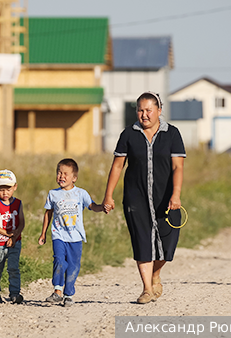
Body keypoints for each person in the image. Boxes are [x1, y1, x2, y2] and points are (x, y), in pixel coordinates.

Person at [102, 91, 186, 304]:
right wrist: (108, 196)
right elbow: (117, 166)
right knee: (142, 242)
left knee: (167, 245)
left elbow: (178, 167)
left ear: (159, 110)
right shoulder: (128, 134)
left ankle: (156, 274)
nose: (144, 114)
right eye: (140, 110)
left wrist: (176, 194)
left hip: (165, 198)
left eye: (149, 110)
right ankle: (147, 288)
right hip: (135, 197)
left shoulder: (172, 134)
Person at [39, 158, 104, 307]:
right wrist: (43, 233)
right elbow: (48, 213)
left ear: (74, 178)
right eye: (59, 173)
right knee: (59, 261)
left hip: (75, 237)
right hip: (58, 235)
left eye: (65, 174)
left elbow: (92, 206)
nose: (61, 176)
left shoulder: (81, 193)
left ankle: (68, 294)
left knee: (73, 266)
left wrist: (102, 207)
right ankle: (57, 291)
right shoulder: (53, 194)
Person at [0, 169, 25, 304]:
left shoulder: (18, 203)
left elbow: (21, 223)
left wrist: (14, 237)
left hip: (14, 242)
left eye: (8, 188)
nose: (5, 192)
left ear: (15, 187)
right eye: (1, 189)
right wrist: (6, 234)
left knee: (13, 267)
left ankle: (15, 293)